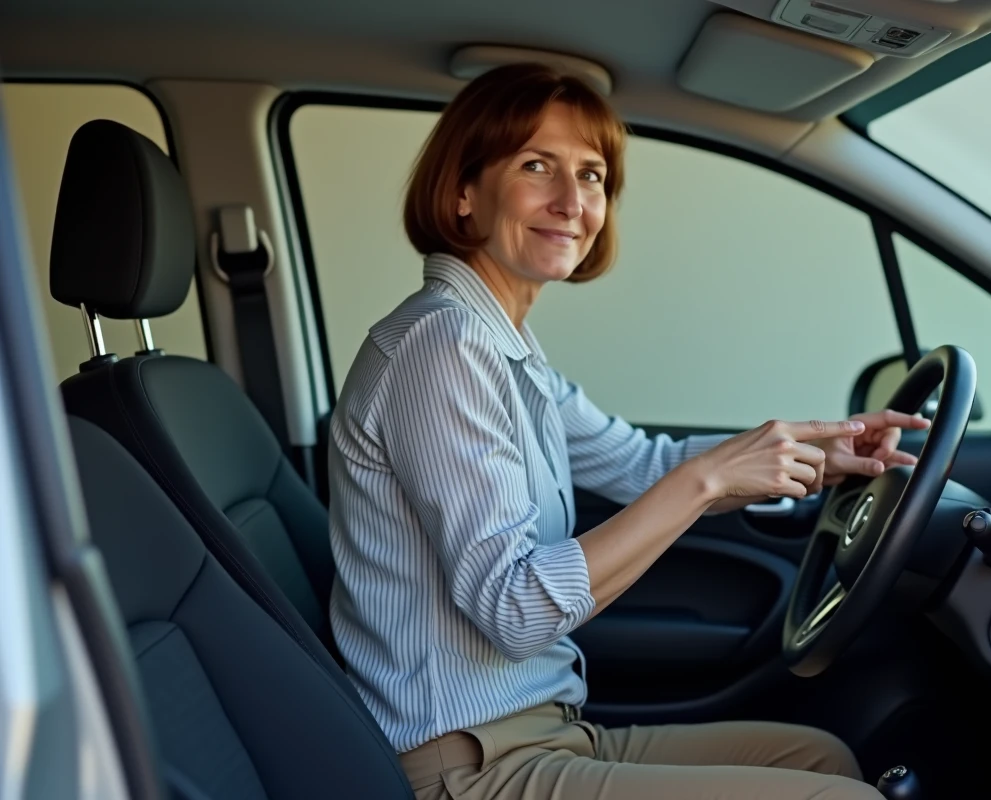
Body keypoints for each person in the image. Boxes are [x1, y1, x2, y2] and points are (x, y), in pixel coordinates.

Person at [327, 62, 930, 800]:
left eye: (591, 175)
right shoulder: (441, 348)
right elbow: (515, 611)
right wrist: (705, 481)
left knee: (817, 761)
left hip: (542, 728)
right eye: (535, 166)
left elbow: (644, 463)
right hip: (469, 766)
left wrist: (818, 454)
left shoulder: (503, 350)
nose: (570, 201)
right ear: (463, 192)